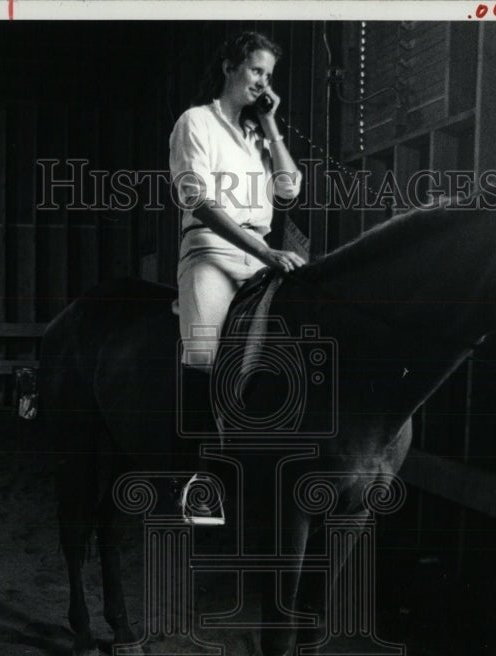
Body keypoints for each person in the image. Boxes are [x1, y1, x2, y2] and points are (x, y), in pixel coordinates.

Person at [168, 31, 305, 524]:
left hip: (263, 253)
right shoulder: (195, 122)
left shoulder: (255, 136)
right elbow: (198, 201)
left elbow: (288, 191)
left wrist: (270, 124)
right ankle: (202, 479)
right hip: (212, 251)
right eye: (255, 71)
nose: (262, 82)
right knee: (206, 353)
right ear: (229, 66)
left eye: (268, 75)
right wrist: (266, 252)